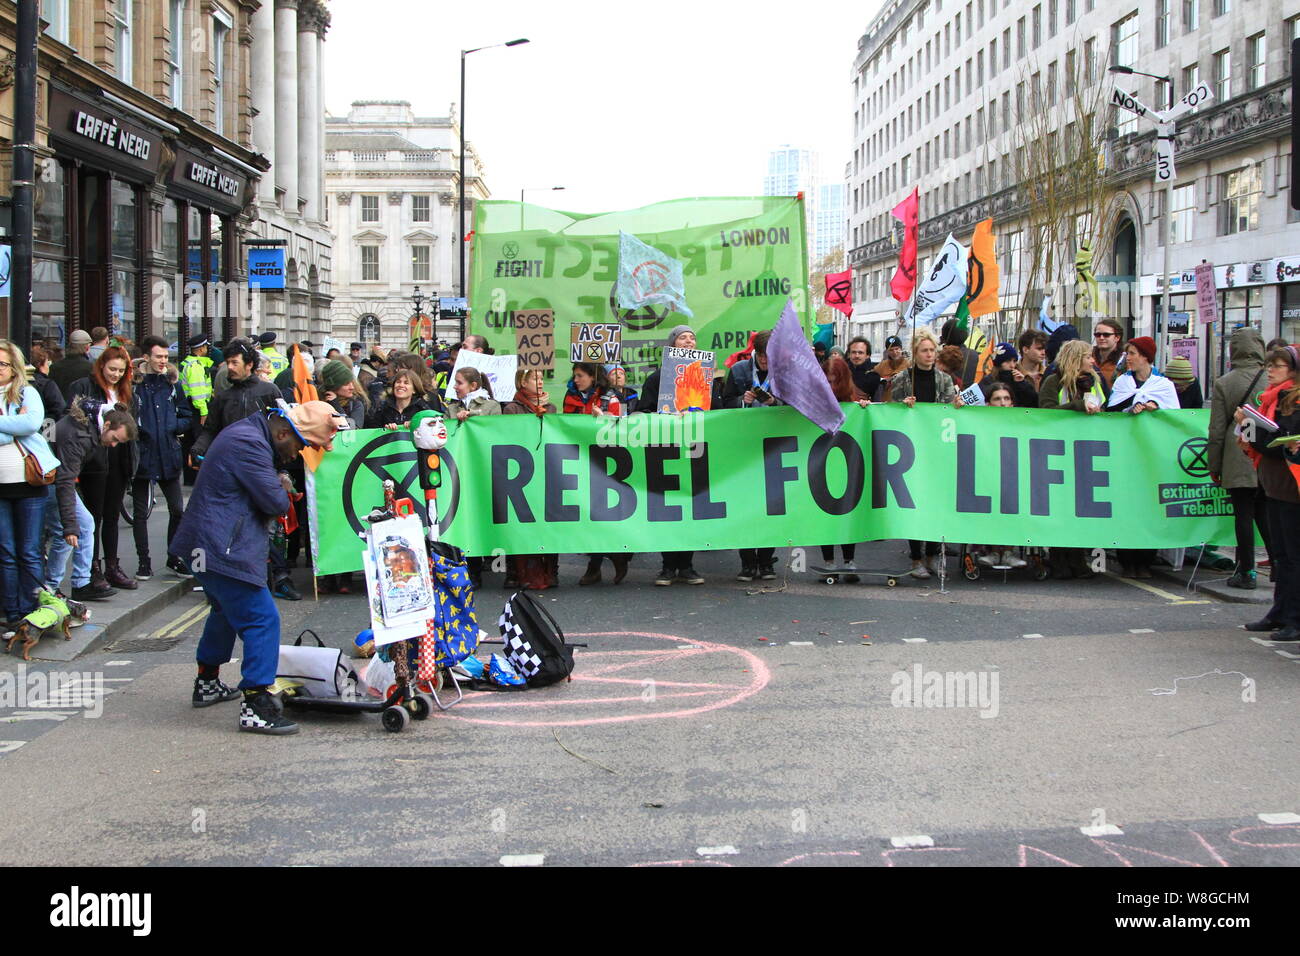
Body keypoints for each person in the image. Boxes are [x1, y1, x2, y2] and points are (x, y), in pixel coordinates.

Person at [170, 402, 340, 734]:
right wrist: (281, 485)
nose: (297, 455)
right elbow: (275, 503)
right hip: (221, 547)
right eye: (300, 446)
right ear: (282, 432)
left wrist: (275, 478)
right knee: (262, 618)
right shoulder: (249, 443)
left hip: (208, 544)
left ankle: (207, 681)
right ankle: (256, 702)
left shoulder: (251, 435)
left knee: (224, 610)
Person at [1237, 346, 1300, 641]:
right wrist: (1247, 428)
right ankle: (1279, 612)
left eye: (1277, 366)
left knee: (1291, 555)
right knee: (1281, 554)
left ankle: (1293, 618)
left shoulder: (1294, 400)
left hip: (1290, 486)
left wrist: (1247, 425)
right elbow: (1259, 442)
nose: (1271, 371)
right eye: (1270, 365)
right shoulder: (1271, 400)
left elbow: (1276, 442)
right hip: (1273, 484)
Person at [636, 325, 705, 586]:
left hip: (694, 448)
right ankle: (667, 566)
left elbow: (718, 410)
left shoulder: (704, 377)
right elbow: (643, 411)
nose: (689, 340)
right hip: (664, 449)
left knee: (689, 506)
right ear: (672, 345)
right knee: (667, 508)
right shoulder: (656, 379)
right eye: (682, 337)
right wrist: (665, 417)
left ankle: (687, 565)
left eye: (692, 336)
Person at [1107, 336, 1180, 578]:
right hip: (1125, 455)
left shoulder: (1163, 386)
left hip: (1151, 456)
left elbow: (1175, 419)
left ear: (1146, 357)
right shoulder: (1122, 383)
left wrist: (1154, 407)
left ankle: (1145, 560)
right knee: (1127, 506)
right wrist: (1131, 408)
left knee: (1149, 506)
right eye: (1127, 353)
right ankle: (1127, 561)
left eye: (1133, 353)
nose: (1128, 357)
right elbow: (1112, 411)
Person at [50, 402, 137, 602]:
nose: (113, 445)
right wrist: (70, 526)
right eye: (115, 439)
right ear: (106, 425)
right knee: (64, 534)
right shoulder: (78, 435)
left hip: (56, 480)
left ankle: (82, 584)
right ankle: (50, 587)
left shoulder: (89, 428)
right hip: (47, 483)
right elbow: (64, 480)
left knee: (87, 523)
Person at [0, 341, 60, 631]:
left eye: (2, 364)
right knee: (7, 552)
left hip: (30, 482)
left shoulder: (28, 392)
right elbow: (18, 426)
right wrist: (12, 423)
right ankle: (12, 614)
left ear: (14, 367)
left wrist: (11, 424)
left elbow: (31, 424)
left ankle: (30, 611)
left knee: (29, 550)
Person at [1207, 327, 1272, 590]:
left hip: (1238, 456)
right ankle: (1280, 566)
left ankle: (1246, 571)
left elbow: (1216, 431)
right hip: (1269, 457)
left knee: (1243, 515)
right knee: (1267, 515)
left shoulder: (1225, 383)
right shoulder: (1272, 380)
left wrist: (1215, 466)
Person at [1038, 340, 1109, 579]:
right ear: (1075, 359)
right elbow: (1045, 413)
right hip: (1058, 452)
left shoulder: (1095, 382)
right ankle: (1059, 560)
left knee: (1080, 509)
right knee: (1062, 507)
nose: (1092, 361)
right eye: (1088, 357)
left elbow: (1105, 410)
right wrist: (1077, 406)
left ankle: (1077, 560)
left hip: (1086, 451)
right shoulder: (1053, 382)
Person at [69, 346, 138, 592]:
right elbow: (74, 416)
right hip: (94, 459)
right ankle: (92, 568)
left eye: (121, 370)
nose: (116, 374)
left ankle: (112, 566)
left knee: (112, 514)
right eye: (112, 369)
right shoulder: (83, 386)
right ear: (101, 366)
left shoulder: (127, 392)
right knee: (93, 516)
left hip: (120, 458)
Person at [892, 328, 956, 578]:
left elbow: (950, 408)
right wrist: (903, 406)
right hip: (911, 448)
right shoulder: (902, 379)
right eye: (924, 350)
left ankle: (932, 555)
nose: (930, 354)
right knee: (913, 501)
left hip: (937, 447)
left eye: (932, 350)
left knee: (936, 502)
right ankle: (915, 557)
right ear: (915, 353)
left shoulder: (944, 379)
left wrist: (955, 406)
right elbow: (890, 412)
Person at [131, 336, 194, 580]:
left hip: (168, 453)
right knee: (139, 514)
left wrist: (173, 425)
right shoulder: (135, 385)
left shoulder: (172, 384)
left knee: (177, 509)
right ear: (146, 357)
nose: (163, 362)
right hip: (142, 455)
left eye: (166, 357)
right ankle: (143, 562)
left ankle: (173, 557)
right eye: (159, 357)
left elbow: (187, 414)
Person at [817, 355, 871, 581]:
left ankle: (849, 560)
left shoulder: (855, 400)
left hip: (848, 461)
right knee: (822, 511)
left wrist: (865, 410)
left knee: (849, 509)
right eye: (827, 381)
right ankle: (828, 562)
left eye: (834, 381)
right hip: (821, 462)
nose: (831, 386)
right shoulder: (816, 400)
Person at [190, 338, 284, 461]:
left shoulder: (270, 391)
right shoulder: (223, 398)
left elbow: (283, 428)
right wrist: (197, 449)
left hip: (263, 462)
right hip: (230, 462)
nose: (230, 367)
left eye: (235, 363)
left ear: (249, 364)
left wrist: (283, 469)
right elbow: (210, 431)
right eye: (228, 362)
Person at [364, 369, 432, 429]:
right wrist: (385, 429)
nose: (401, 385)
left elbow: (432, 429)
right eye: (398, 382)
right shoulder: (382, 408)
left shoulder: (422, 408)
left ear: (414, 390)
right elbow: (371, 430)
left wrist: (417, 425)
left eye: (406, 383)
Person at [318, 359, 366, 429]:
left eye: (352, 382)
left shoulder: (355, 404)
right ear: (334, 386)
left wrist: (336, 405)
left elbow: (353, 430)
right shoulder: (318, 401)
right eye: (346, 384)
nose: (352, 387)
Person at [27, 345, 66, 427]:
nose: (48, 367)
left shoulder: (20, 382)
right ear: (41, 365)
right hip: (46, 430)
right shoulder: (47, 384)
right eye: (47, 363)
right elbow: (60, 409)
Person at [49, 329, 93, 400]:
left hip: (60, 406)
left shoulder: (55, 367)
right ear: (87, 348)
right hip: (80, 407)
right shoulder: (90, 367)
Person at [869, 335, 909, 401]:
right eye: (891, 350)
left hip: (904, 404)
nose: (894, 352)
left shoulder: (909, 364)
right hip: (887, 404)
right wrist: (881, 380)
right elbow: (870, 375)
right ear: (887, 351)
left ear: (901, 349)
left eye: (897, 349)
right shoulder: (882, 365)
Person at [1091, 318, 1125, 387]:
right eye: (1098, 335)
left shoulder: (1125, 360)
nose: (1101, 338)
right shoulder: (1088, 356)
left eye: (1106, 335)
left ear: (1117, 337)